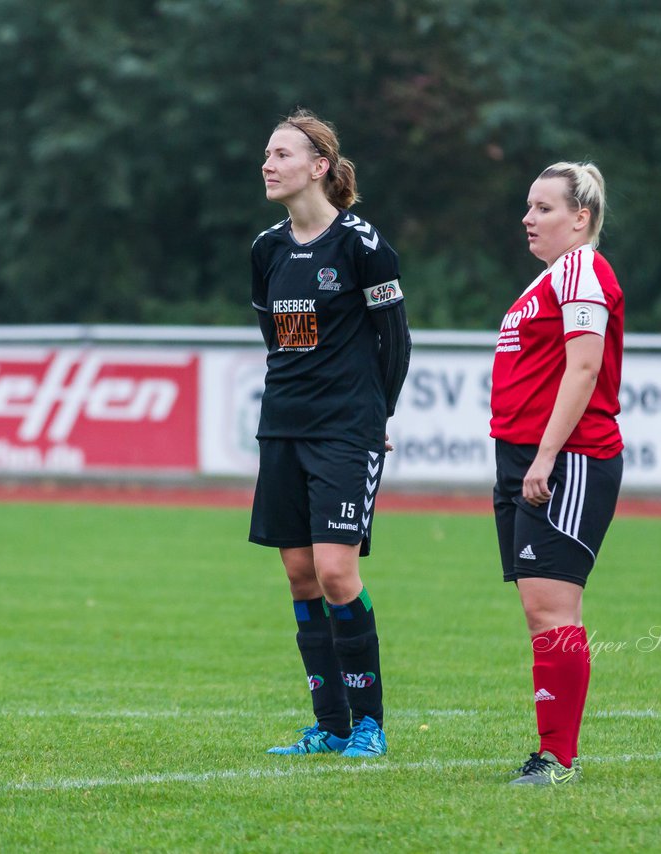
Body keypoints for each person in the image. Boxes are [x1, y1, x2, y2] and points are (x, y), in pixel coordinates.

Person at [249, 109, 411, 758]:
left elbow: (394, 341)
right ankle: (331, 724)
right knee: (299, 573)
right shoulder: (266, 249)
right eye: (267, 153)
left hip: (345, 428)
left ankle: (369, 723)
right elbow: (275, 340)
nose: (268, 164)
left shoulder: (364, 246)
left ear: (319, 166)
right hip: (283, 426)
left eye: (282, 154)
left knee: (337, 571)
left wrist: (379, 417)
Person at [489, 162, 624, 785]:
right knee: (537, 608)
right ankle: (550, 750)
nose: (528, 217)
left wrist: (545, 456)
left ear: (581, 218)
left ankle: (557, 758)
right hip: (525, 458)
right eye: (528, 205)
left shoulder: (582, 268)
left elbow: (584, 367)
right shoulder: (548, 278)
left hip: (566, 458)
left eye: (544, 208)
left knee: (553, 609)